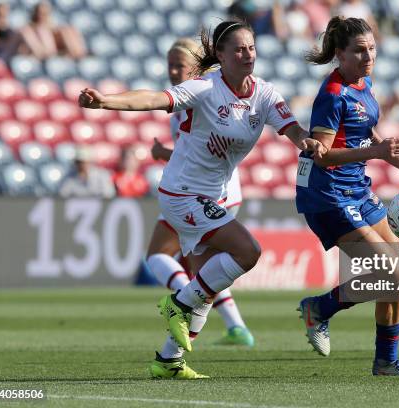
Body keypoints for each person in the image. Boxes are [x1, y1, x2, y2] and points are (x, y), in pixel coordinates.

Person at [78, 20, 325, 379]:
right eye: (239, 49)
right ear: (221, 56)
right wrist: (106, 102)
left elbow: (293, 130)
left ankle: (168, 361)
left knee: (208, 287)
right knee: (248, 251)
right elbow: (154, 98)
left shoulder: (265, 95)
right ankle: (176, 303)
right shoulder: (205, 88)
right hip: (182, 193)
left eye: (251, 47)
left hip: (213, 196)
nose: (248, 54)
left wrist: (307, 141)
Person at [295, 16, 399, 376]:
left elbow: (366, 132)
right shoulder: (332, 95)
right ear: (340, 53)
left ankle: (386, 361)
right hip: (327, 196)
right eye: (359, 50)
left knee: (398, 276)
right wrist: (377, 153)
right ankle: (320, 309)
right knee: (391, 273)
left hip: (357, 189)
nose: (368, 56)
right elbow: (321, 155)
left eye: (371, 48)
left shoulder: (364, 82)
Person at [147, 37, 256, 351]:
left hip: (203, 193)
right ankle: (234, 328)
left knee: (156, 255)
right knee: (206, 268)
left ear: (196, 67)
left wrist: (161, 153)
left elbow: (200, 155)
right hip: (218, 192)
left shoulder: (201, 96)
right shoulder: (197, 97)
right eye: (169, 65)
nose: (172, 71)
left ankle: (183, 302)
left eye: (179, 65)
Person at [19, 1, 86, 60]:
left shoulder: (57, 30)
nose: (41, 16)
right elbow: (42, 52)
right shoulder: (29, 30)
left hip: (54, 54)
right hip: (42, 55)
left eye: (45, 14)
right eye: (40, 13)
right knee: (42, 31)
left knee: (67, 30)